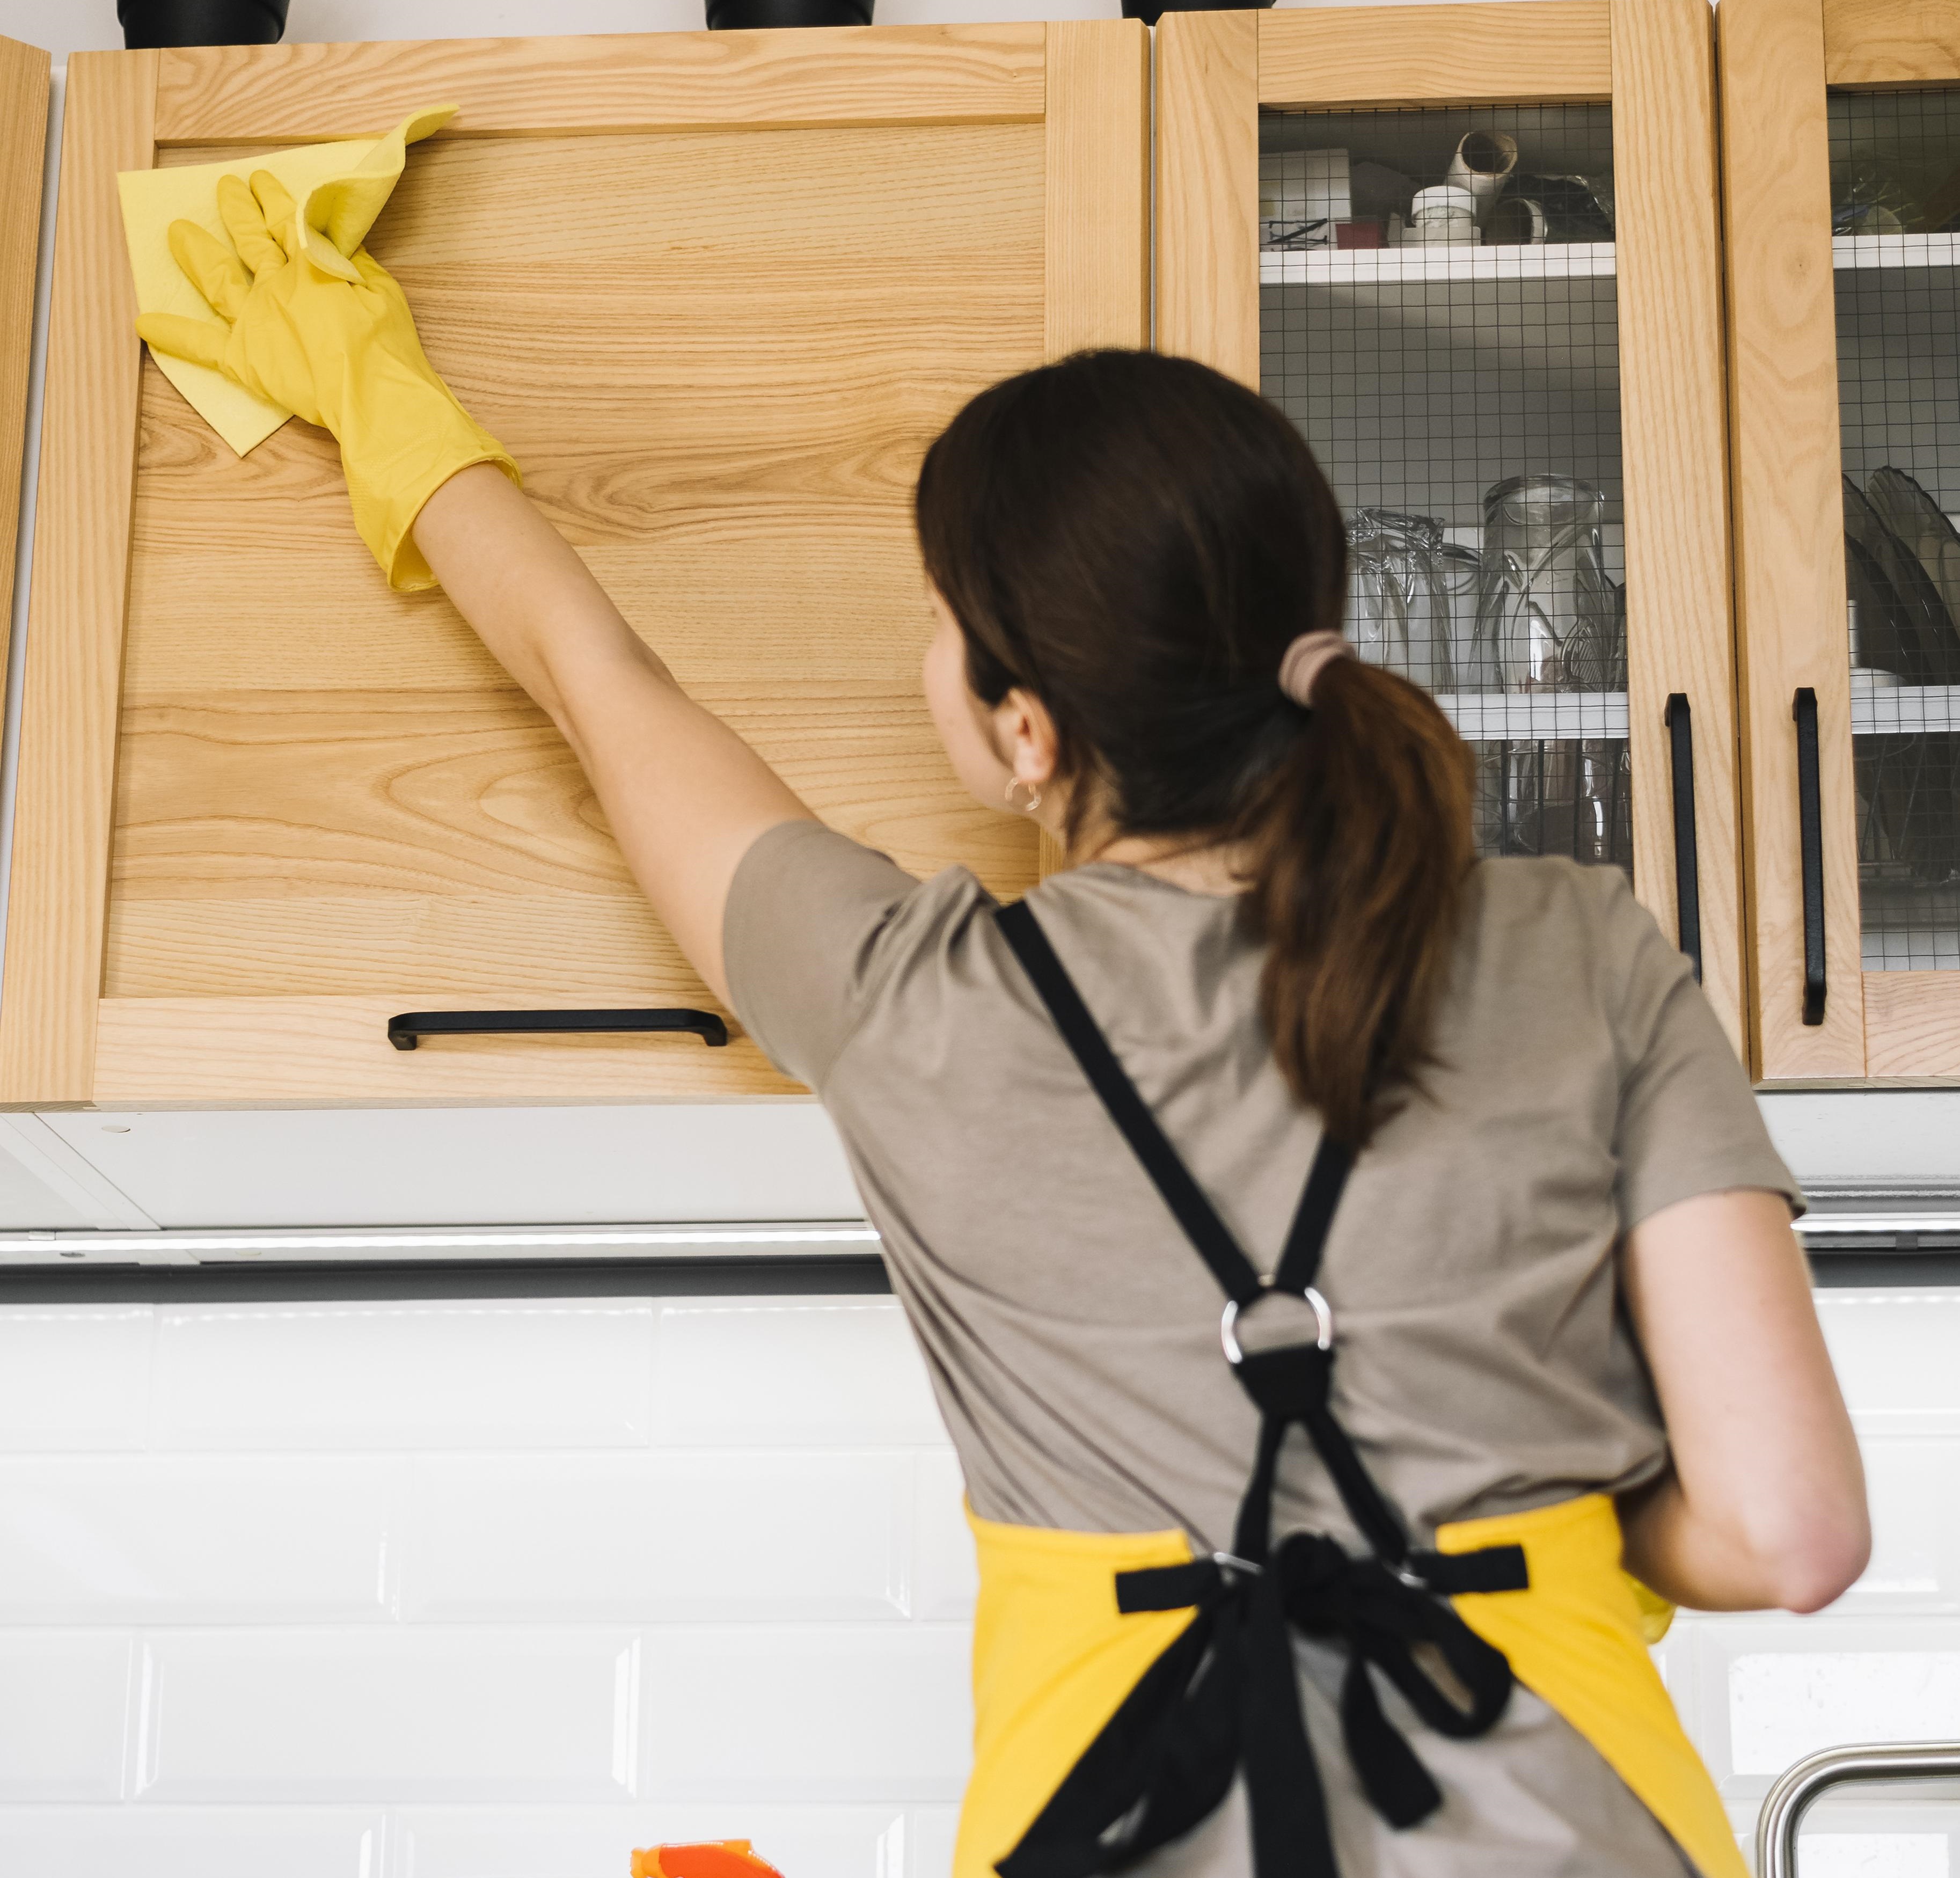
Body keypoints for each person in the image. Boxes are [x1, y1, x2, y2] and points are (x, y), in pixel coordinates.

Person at [138, 174, 1870, 1878]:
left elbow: (596, 681)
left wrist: (373, 373)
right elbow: (1787, 1530)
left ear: (1025, 730)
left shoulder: (909, 997)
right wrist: (1542, 1522)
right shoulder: (1582, 944)